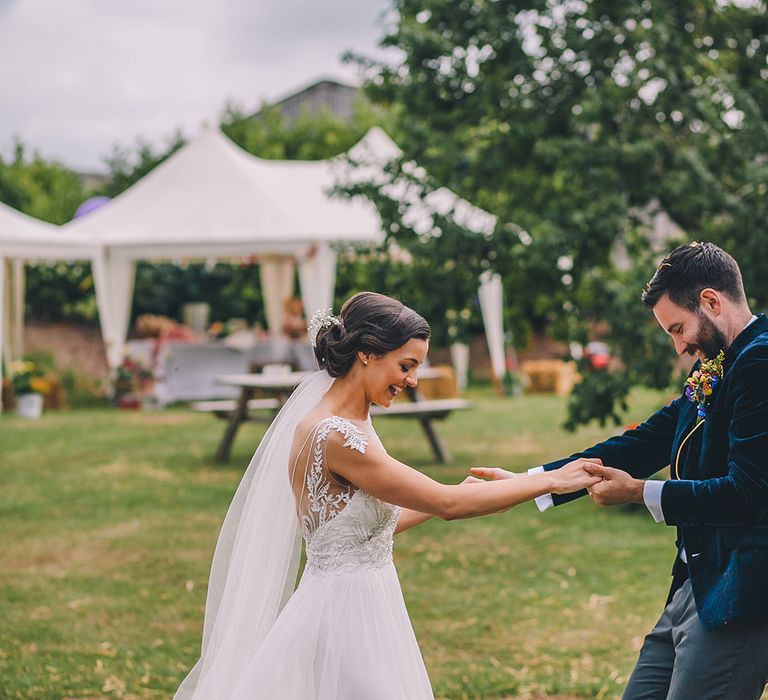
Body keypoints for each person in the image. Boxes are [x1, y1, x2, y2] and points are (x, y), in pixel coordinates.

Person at [174, 291, 600, 699]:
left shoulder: (353, 420)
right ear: (367, 353)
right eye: (406, 365)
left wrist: (454, 495)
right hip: (345, 614)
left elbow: (364, 527)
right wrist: (550, 480)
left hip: (368, 598)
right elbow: (448, 506)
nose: (413, 380)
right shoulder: (334, 434)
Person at [473, 242, 768, 699]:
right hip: (695, 585)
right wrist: (538, 481)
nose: (678, 345)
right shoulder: (721, 362)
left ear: (711, 301)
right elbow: (645, 440)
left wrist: (639, 493)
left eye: (678, 327)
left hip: (744, 594)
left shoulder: (760, 363)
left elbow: (750, 492)